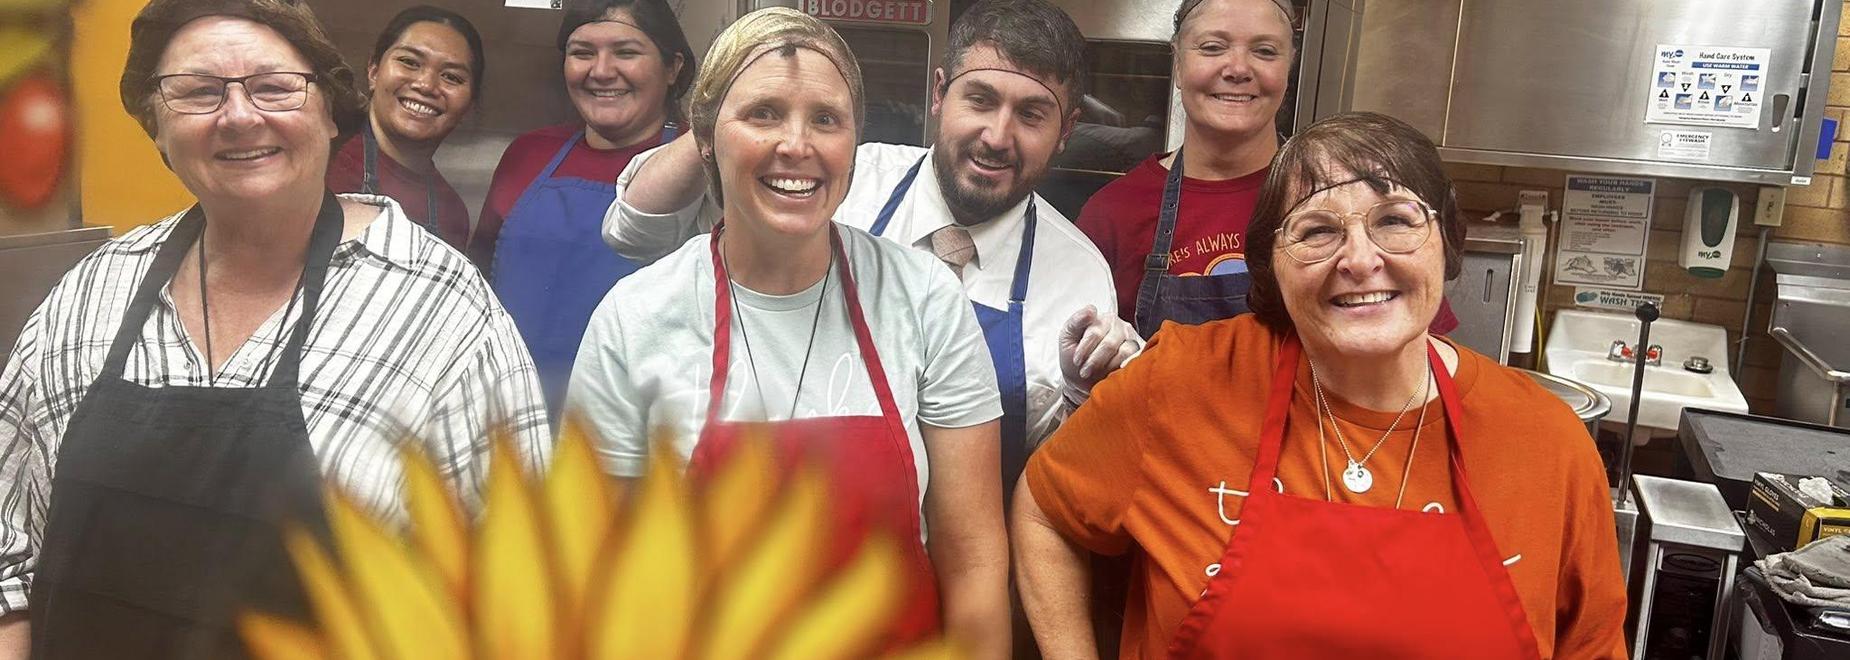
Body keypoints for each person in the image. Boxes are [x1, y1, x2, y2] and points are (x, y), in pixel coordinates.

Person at [0, 1, 551, 657]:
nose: (239, 115)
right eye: (198, 91)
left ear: (330, 109)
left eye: (274, 86)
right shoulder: (91, 293)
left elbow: (515, 596)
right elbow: (8, 557)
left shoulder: (440, 311)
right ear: (157, 125)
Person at [1013, 112, 1627, 659]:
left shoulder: (1547, 443)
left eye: (1395, 220)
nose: (1360, 260)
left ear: (1446, 242)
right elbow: (1045, 509)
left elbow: (1591, 644)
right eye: (1316, 231)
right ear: (1270, 266)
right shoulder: (1178, 383)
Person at [566, 8, 1009, 657]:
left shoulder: (923, 298)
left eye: (826, 119)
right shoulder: (636, 318)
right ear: (707, 136)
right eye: (764, 114)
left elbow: (972, 561)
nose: (797, 145)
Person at [607, 0, 1137, 498]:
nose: (997, 136)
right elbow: (635, 231)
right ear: (939, 93)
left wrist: (1083, 399)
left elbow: (1051, 490)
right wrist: (729, 107)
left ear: (1066, 130)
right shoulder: (838, 181)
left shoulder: (1079, 276)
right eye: (979, 100)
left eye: (1031, 115)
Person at [1076, 0, 1457, 339]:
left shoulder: (1349, 195)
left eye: (1264, 51)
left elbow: (1424, 353)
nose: (1238, 69)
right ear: (1177, 61)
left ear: (1290, 64)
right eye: (1212, 47)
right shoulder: (1113, 212)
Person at [472, 0, 696, 419]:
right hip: (507, 418)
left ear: (672, 67)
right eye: (582, 52)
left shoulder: (700, 165)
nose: (602, 71)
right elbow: (477, 282)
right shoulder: (528, 154)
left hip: (635, 431)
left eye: (626, 52)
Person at [324, 5, 483, 253]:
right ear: (374, 71)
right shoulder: (320, 161)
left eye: (451, 77)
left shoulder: (453, 213)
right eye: (409, 62)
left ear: (469, 106)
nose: (426, 85)